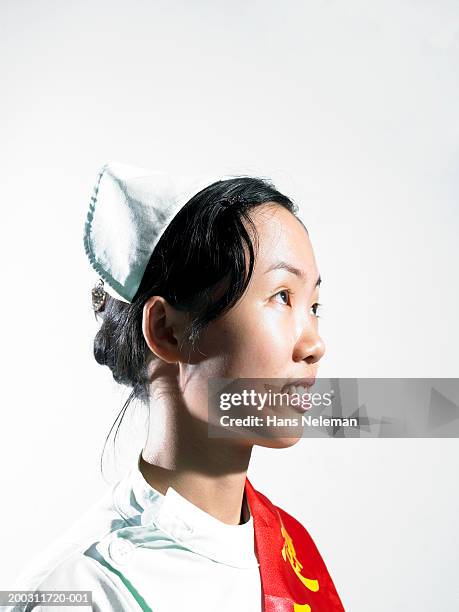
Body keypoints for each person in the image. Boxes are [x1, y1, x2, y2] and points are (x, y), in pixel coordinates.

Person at [7, 163, 345, 611]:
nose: (314, 343)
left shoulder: (292, 548)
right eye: (282, 296)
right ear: (167, 331)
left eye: (314, 304)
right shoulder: (78, 590)